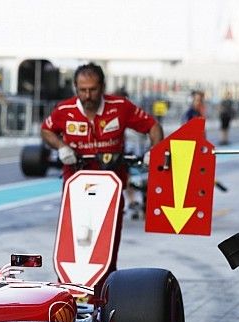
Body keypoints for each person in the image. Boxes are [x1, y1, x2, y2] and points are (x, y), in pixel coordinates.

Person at [41, 62, 163, 293]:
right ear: (75, 88)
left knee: (106, 246)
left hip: (111, 189)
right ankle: (68, 292)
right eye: (82, 90)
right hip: (75, 189)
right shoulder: (64, 110)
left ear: (103, 87)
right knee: (72, 243)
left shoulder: (120, 107)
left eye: (93, 90)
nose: (87, 96)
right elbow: (46, 130)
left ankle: (106, 293)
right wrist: (62, 147)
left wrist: (154, 152)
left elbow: (153, 126)